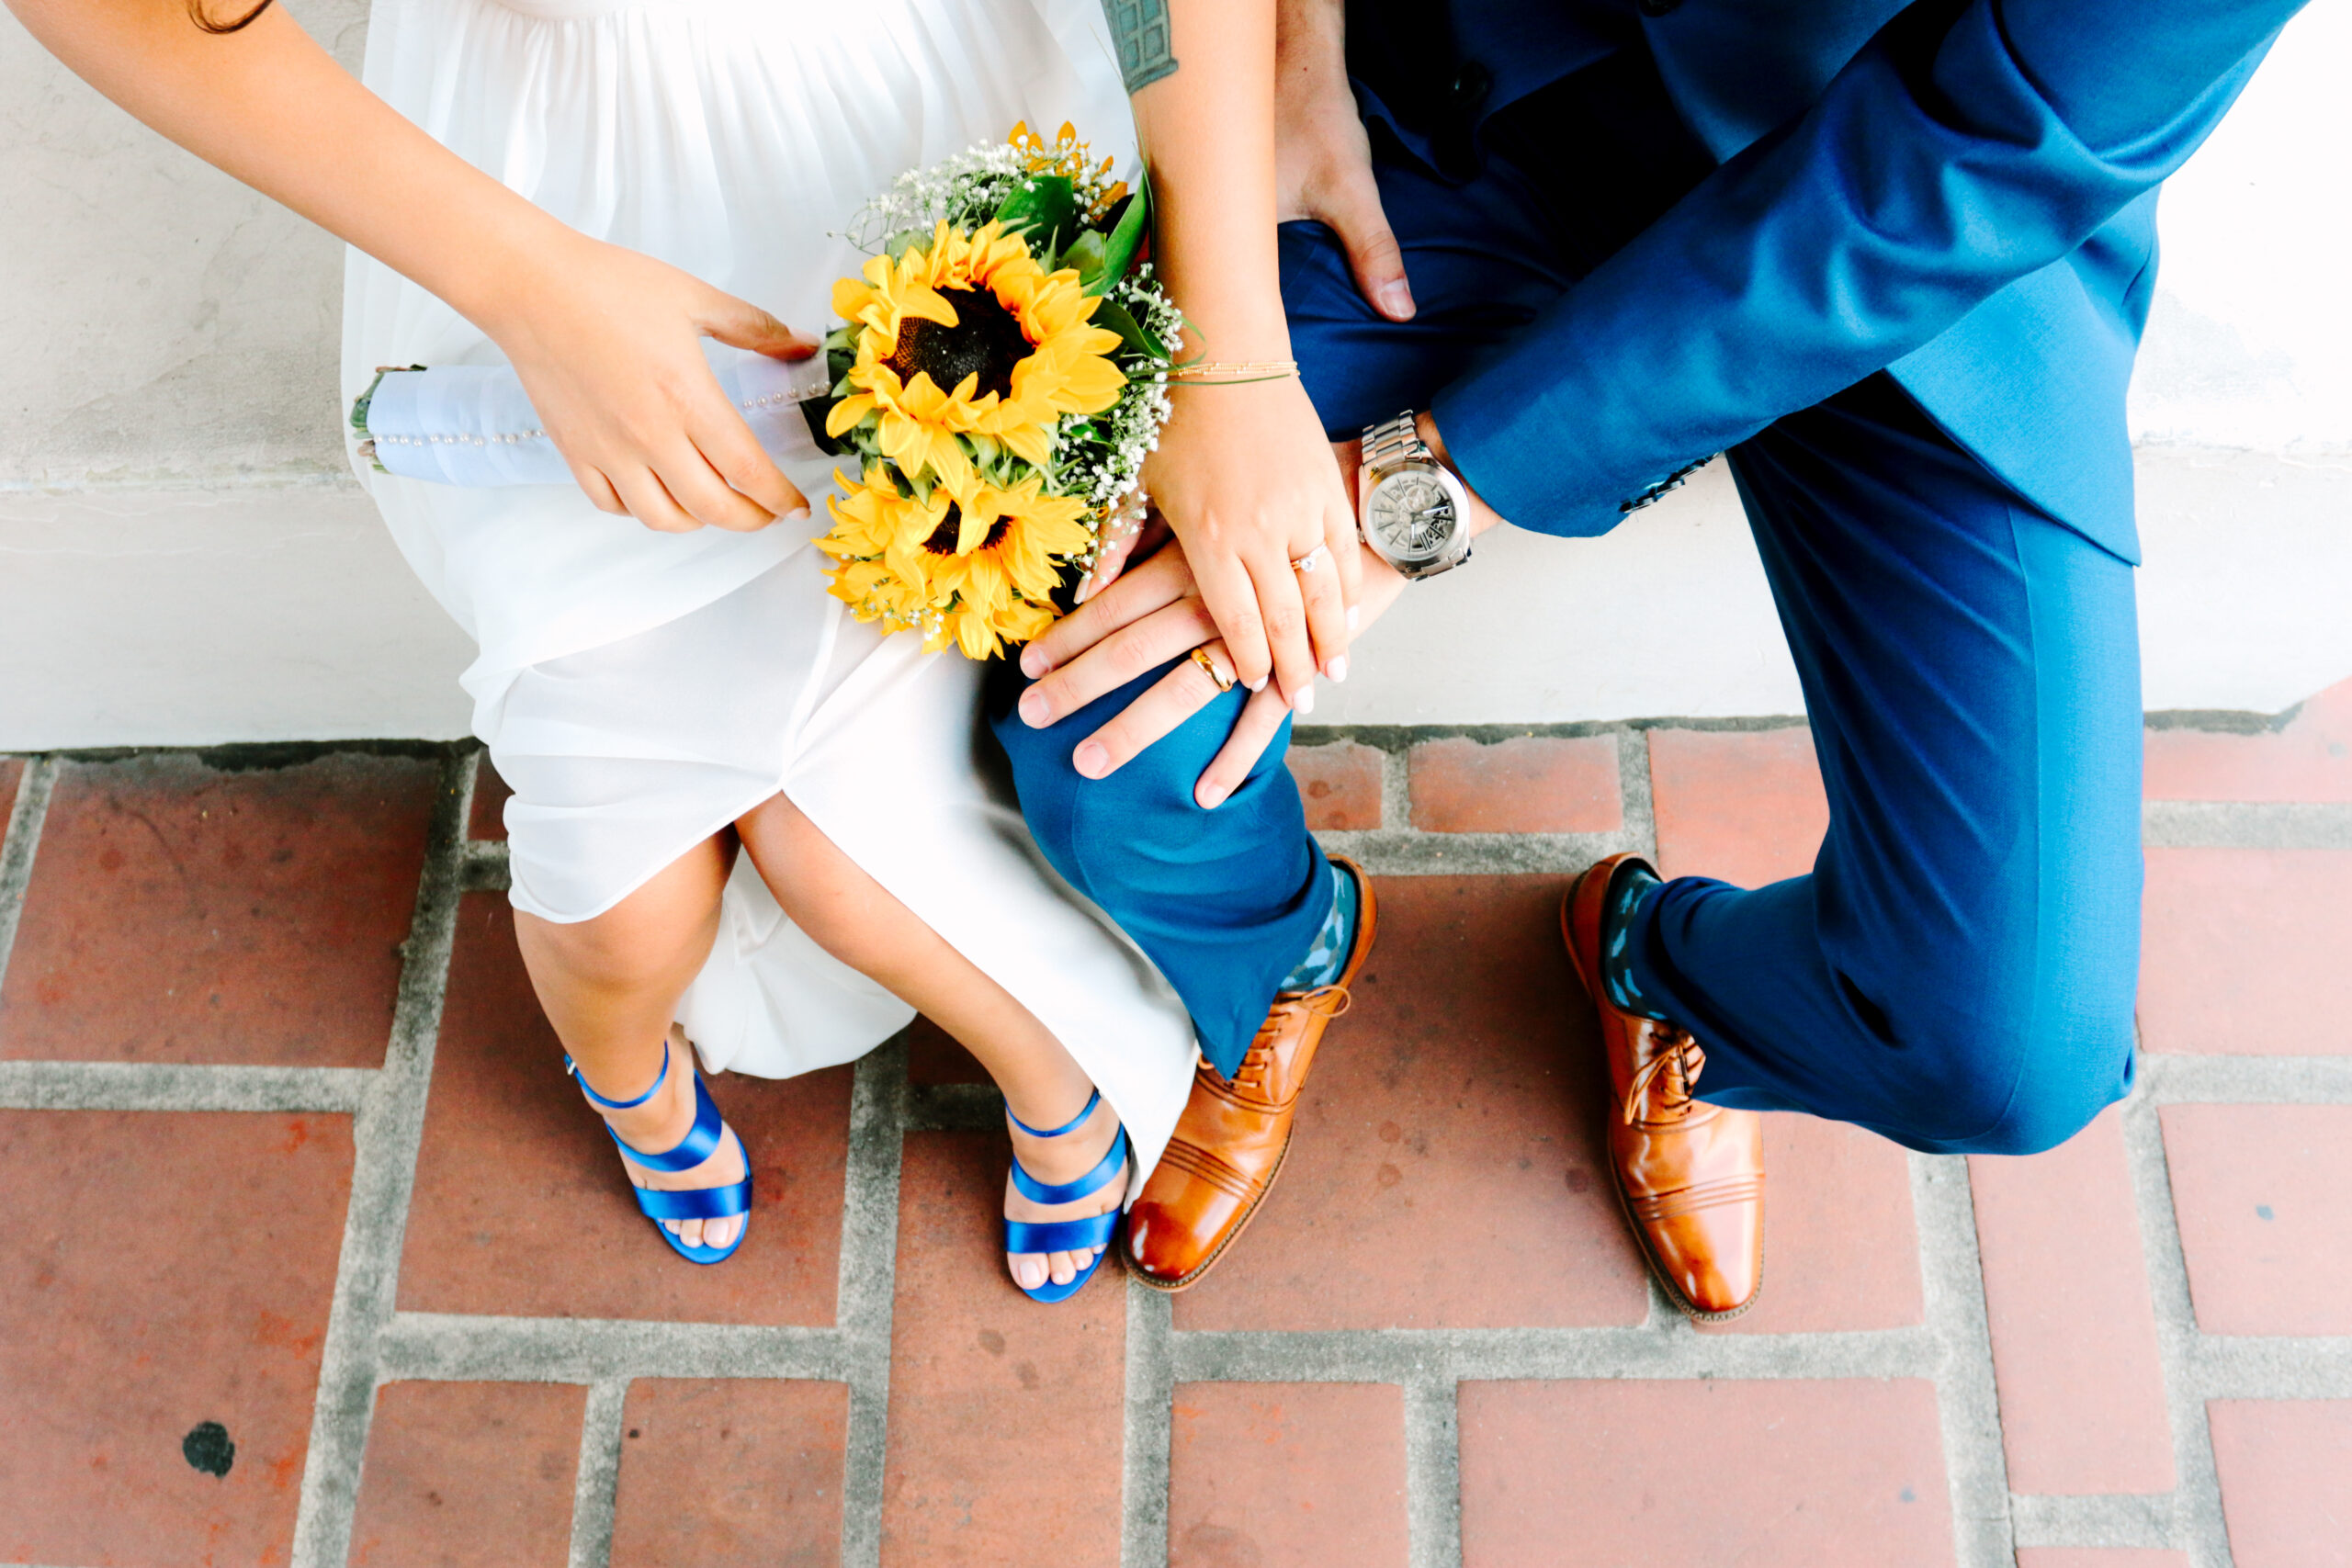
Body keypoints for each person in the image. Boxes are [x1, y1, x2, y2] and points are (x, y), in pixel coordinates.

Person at [1001, 0, 2309, 1314]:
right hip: (1495, 90)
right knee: (1087, 647)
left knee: (2006, 1046)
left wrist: (1424, 491)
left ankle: (1668, 983)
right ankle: (1273, 954)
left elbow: (1995, 144)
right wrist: (1293, 69)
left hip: (1926, 253)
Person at [5, 0, 1298, 1303]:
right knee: (622, 899)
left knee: (849, 857)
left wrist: (1244, 346)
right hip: (557, 181)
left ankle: (1057, 1086)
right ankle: (625, 1072)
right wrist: (525, 281)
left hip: (928, 126)